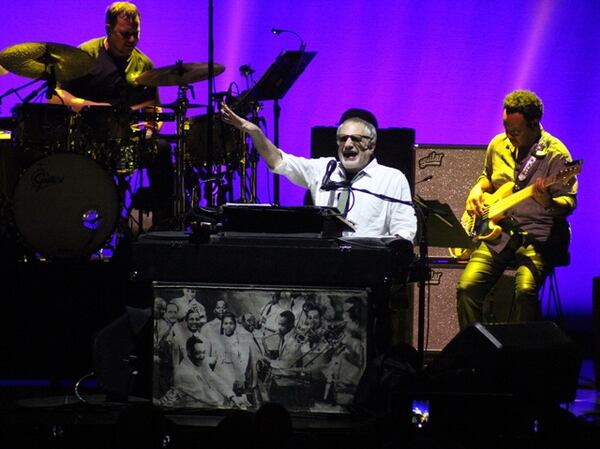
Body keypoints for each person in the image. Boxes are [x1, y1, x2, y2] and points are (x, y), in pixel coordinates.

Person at [456, 90, 578, 329]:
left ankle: (523, 358)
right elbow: (487, 177)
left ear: (534, 124)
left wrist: (548, 203)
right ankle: (476, 353)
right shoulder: (497, 145)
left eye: (515, 131)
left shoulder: (556, 155)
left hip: (537, 238)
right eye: (505, 128)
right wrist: (476, 190)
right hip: (499, 234)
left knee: (524, 292)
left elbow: (568, 204)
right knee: (466, 288)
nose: (508, 135)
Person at [49, 1, 173, 227]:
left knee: (163, 149)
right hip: (88, 138)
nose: (132, 40)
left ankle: (165, 221)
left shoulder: (144, 63)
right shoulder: (85, 55)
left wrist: (151, 127)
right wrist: (88, 105)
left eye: (136, 34)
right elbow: (55, 95)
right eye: (125, 34)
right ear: (108, 29)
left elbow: (153, 109)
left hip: (127, 139)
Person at [220, 103, 417, 240]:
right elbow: (279, 161)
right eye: (342, 139)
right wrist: (255, 132)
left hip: (368, 267)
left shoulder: (391, 178)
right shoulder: (324, 169)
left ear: (371, 145)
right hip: (326, 263)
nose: (348, 144)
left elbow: (404, 231)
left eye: (355, 139)